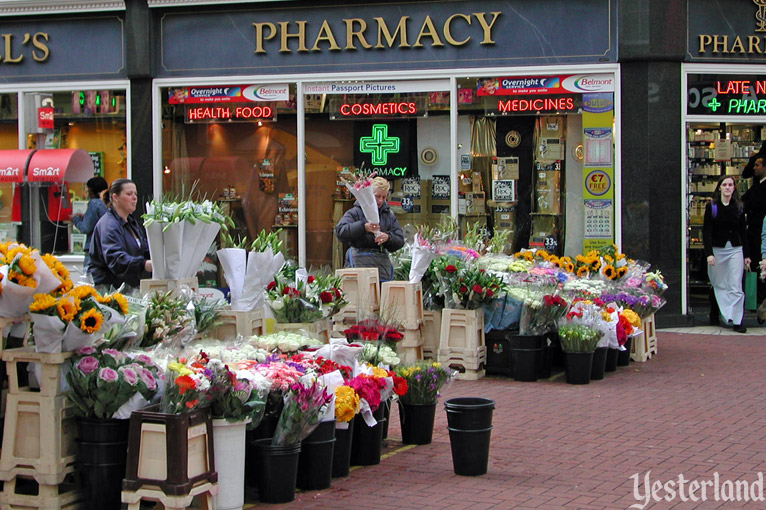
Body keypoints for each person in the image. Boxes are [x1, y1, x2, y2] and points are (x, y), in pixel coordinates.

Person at [335, 176, 404, 282]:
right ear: (369, 194)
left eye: (384, 197)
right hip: (358, 262)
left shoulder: (388, 215)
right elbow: (340, 232)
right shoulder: (355, 212)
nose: (380, 200)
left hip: (380, 265)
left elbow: (399, 240)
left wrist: (388, 238)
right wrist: (363, 227)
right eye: (377, 196)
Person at [703, 175, 749, 333]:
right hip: (717, 250)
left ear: (734, 188)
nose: (728, 187)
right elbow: (707, 231)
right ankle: (726, 314)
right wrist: (709, 253)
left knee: (736, 285)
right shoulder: (712, 207)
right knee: (719, 283)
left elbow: (743, 231)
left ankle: (737, 320)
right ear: (720, 187)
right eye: (725, 185)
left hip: (735, 249)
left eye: (731, 185)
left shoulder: (739, 207)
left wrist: (747, 255)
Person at [88, 178, 152, 289]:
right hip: (110, 291)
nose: (134, 198)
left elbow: (144, 248)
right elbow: (115, 259)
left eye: (135, 194)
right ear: (115, 197)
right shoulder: (108, 224)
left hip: (130, 289)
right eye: (129, 194)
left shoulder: (131, 222)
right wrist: (144, 264)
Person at [741, 155, 766, 302]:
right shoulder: (757, 184)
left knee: (759, 264)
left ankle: (760, 299)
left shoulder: (762, 187)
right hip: (755, 231)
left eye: (757, 165)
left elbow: (751, 203)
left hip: (759, 231)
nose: (754, 168)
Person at [71, 176, 108, 272]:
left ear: (92, 191)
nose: (88, 194)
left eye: (88, 191)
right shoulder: (108, 203)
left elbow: (85, 227)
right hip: (104, 250)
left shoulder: (94, 203)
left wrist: (75, 219)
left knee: (88, 281)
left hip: (93, 250)